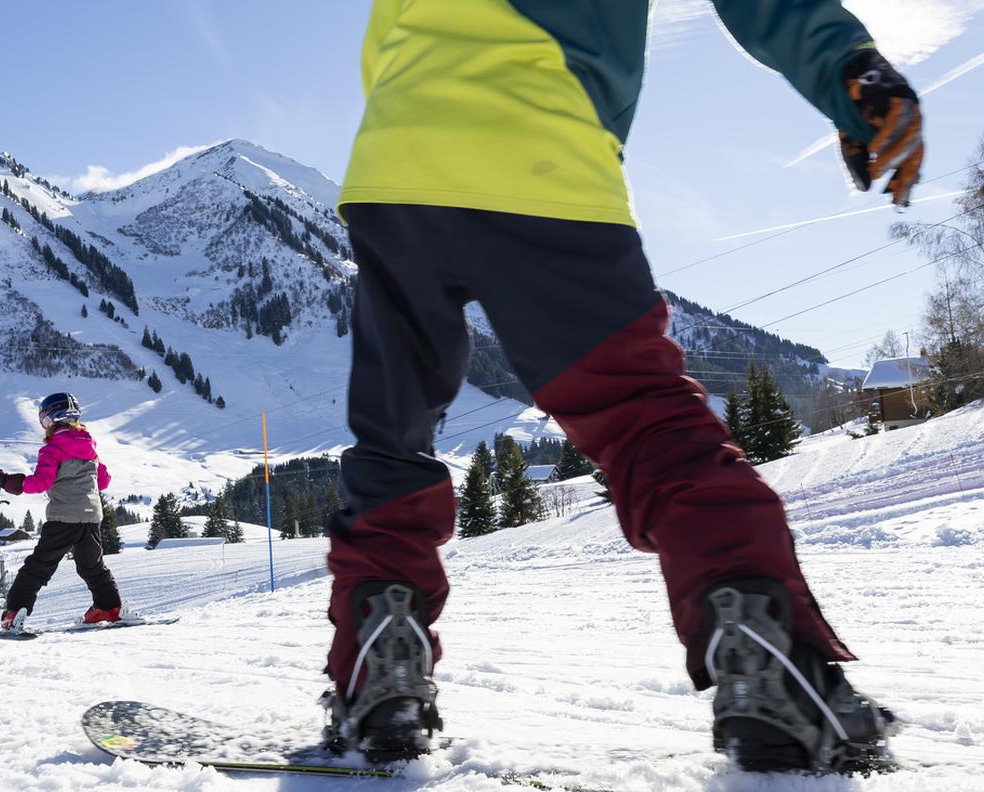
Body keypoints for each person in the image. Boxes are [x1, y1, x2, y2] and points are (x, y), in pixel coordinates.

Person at [321, 0, 923, 772]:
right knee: (647, 423)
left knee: (391, 442)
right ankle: (768, 660)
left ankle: (381, 678)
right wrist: (848, 67)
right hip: (539, 144)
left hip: (395, 163)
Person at [0, 393, 122, 631]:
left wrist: (8, 482)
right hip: (91, 518)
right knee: (92, 566)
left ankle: (14, 613)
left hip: (63, 517)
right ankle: (109, 607)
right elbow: (103, 482)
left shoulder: (53, 448)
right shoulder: (90, 447)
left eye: (44, 421)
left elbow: (41, 482)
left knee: (39, 566)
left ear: (50, 420)